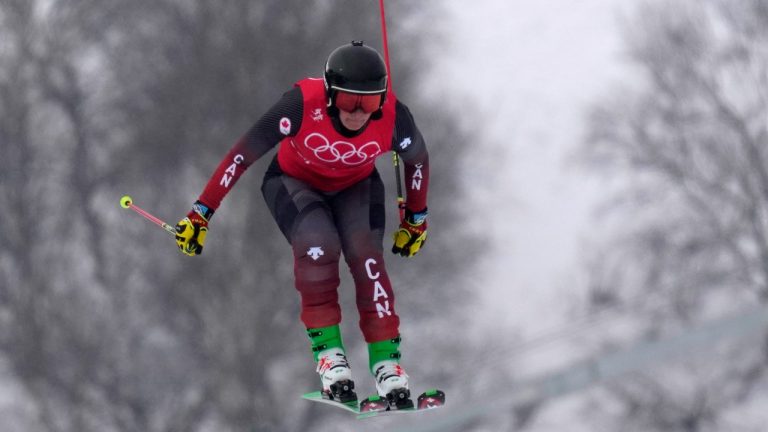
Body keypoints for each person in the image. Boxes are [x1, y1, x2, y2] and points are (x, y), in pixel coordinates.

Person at [174, 41, 429, 409]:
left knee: (368, 260)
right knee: (319, 246)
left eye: (369, 102)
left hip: (356, 187)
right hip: (294, 184)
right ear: (329, 95)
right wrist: (202, 213)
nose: (358, 113)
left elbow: (417, 161)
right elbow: (241, 155)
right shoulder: (300, 104)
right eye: (348, 101)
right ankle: (330, 360)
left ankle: (387, 364)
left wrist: (416, 219)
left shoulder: (393, 117)